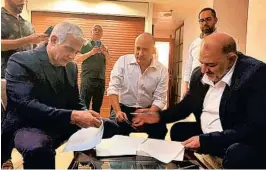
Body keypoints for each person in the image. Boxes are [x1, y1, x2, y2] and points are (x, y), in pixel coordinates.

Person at [132, 33, 266, 169]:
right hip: (207, 132)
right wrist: (158, 116)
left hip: (235, 138)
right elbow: (187, 105)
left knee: (238, 155)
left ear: (231, 60)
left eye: (210, 65)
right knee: (178, 130)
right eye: (202, 62)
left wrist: (207, 141)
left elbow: (254, 127)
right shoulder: (200, 73)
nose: (203, 70)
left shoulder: (255, 74)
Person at [1, 22, 118, 169]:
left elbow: (75, 100)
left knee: (110, 126)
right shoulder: (20, 61)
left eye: (76, 52)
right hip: (27, 125)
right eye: (69, 49)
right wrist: (73, 116)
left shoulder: (71, 67)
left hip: (60, 120)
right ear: (54, 40)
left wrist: (84, 113)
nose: (71, 56)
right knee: (39, 148)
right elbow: (26, 106)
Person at [107, 33, 169, 139]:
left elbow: (160, 99)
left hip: (148, 109)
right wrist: (117, 111)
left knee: (161, 129)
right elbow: (113, 88)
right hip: (123, 108)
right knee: (111, 128)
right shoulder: (122, 61)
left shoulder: (162, 70)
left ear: (153, 50)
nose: (140, 53)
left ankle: (151, 154)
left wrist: (149, 113)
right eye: (138, 48)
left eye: (145, 49)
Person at [1, 0, 48, 78]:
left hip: (27, 77)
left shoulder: (28, 25)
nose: (23, 2)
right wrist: (27, 40)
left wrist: (45, 44)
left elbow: (34, 50)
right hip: (5, 78)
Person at [75, 24, 111, 113]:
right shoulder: (85, 45)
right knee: (84, 107)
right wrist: (91, 52)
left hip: (100, 80)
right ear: (91, 32)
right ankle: (83, 126)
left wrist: (105, 53)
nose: (97, 31)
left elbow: (110, 64)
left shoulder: (104, 48)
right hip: (87, 79)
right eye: (95, 29)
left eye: (99, 30)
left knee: (97, 108)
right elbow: (77, 59)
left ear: (102, 34)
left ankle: (95, 126)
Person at [183, 8, 218, 96]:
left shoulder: (221, 41)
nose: (205, 23)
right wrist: (186, 86)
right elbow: (189, 65)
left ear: (215, 20)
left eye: (208, 19)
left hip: (214, 87)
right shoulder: (194, 43)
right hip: (194, 87)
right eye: (202, 21)